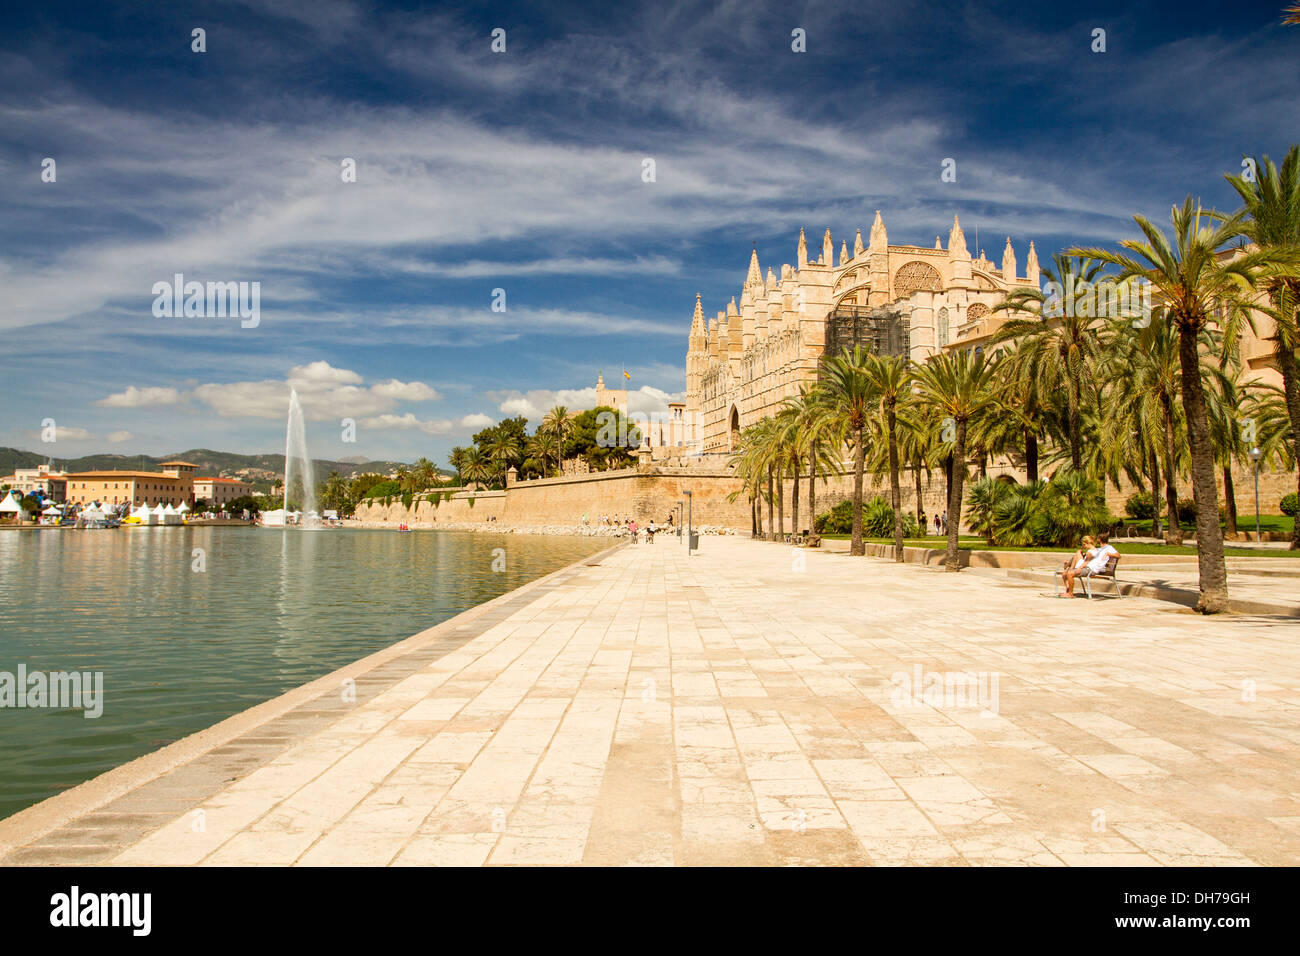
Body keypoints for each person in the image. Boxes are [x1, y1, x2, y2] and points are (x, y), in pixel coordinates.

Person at [1064, 533, 1118, 597]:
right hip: (1088, 567)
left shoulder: (1108, 548)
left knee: (1070, 573)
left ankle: (1070, 593)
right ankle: (1069, 590)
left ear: (1099, 540)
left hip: (1091, 569)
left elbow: (1118, 555)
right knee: (1066, 573)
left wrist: (1108, 554)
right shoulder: (1099, 549)